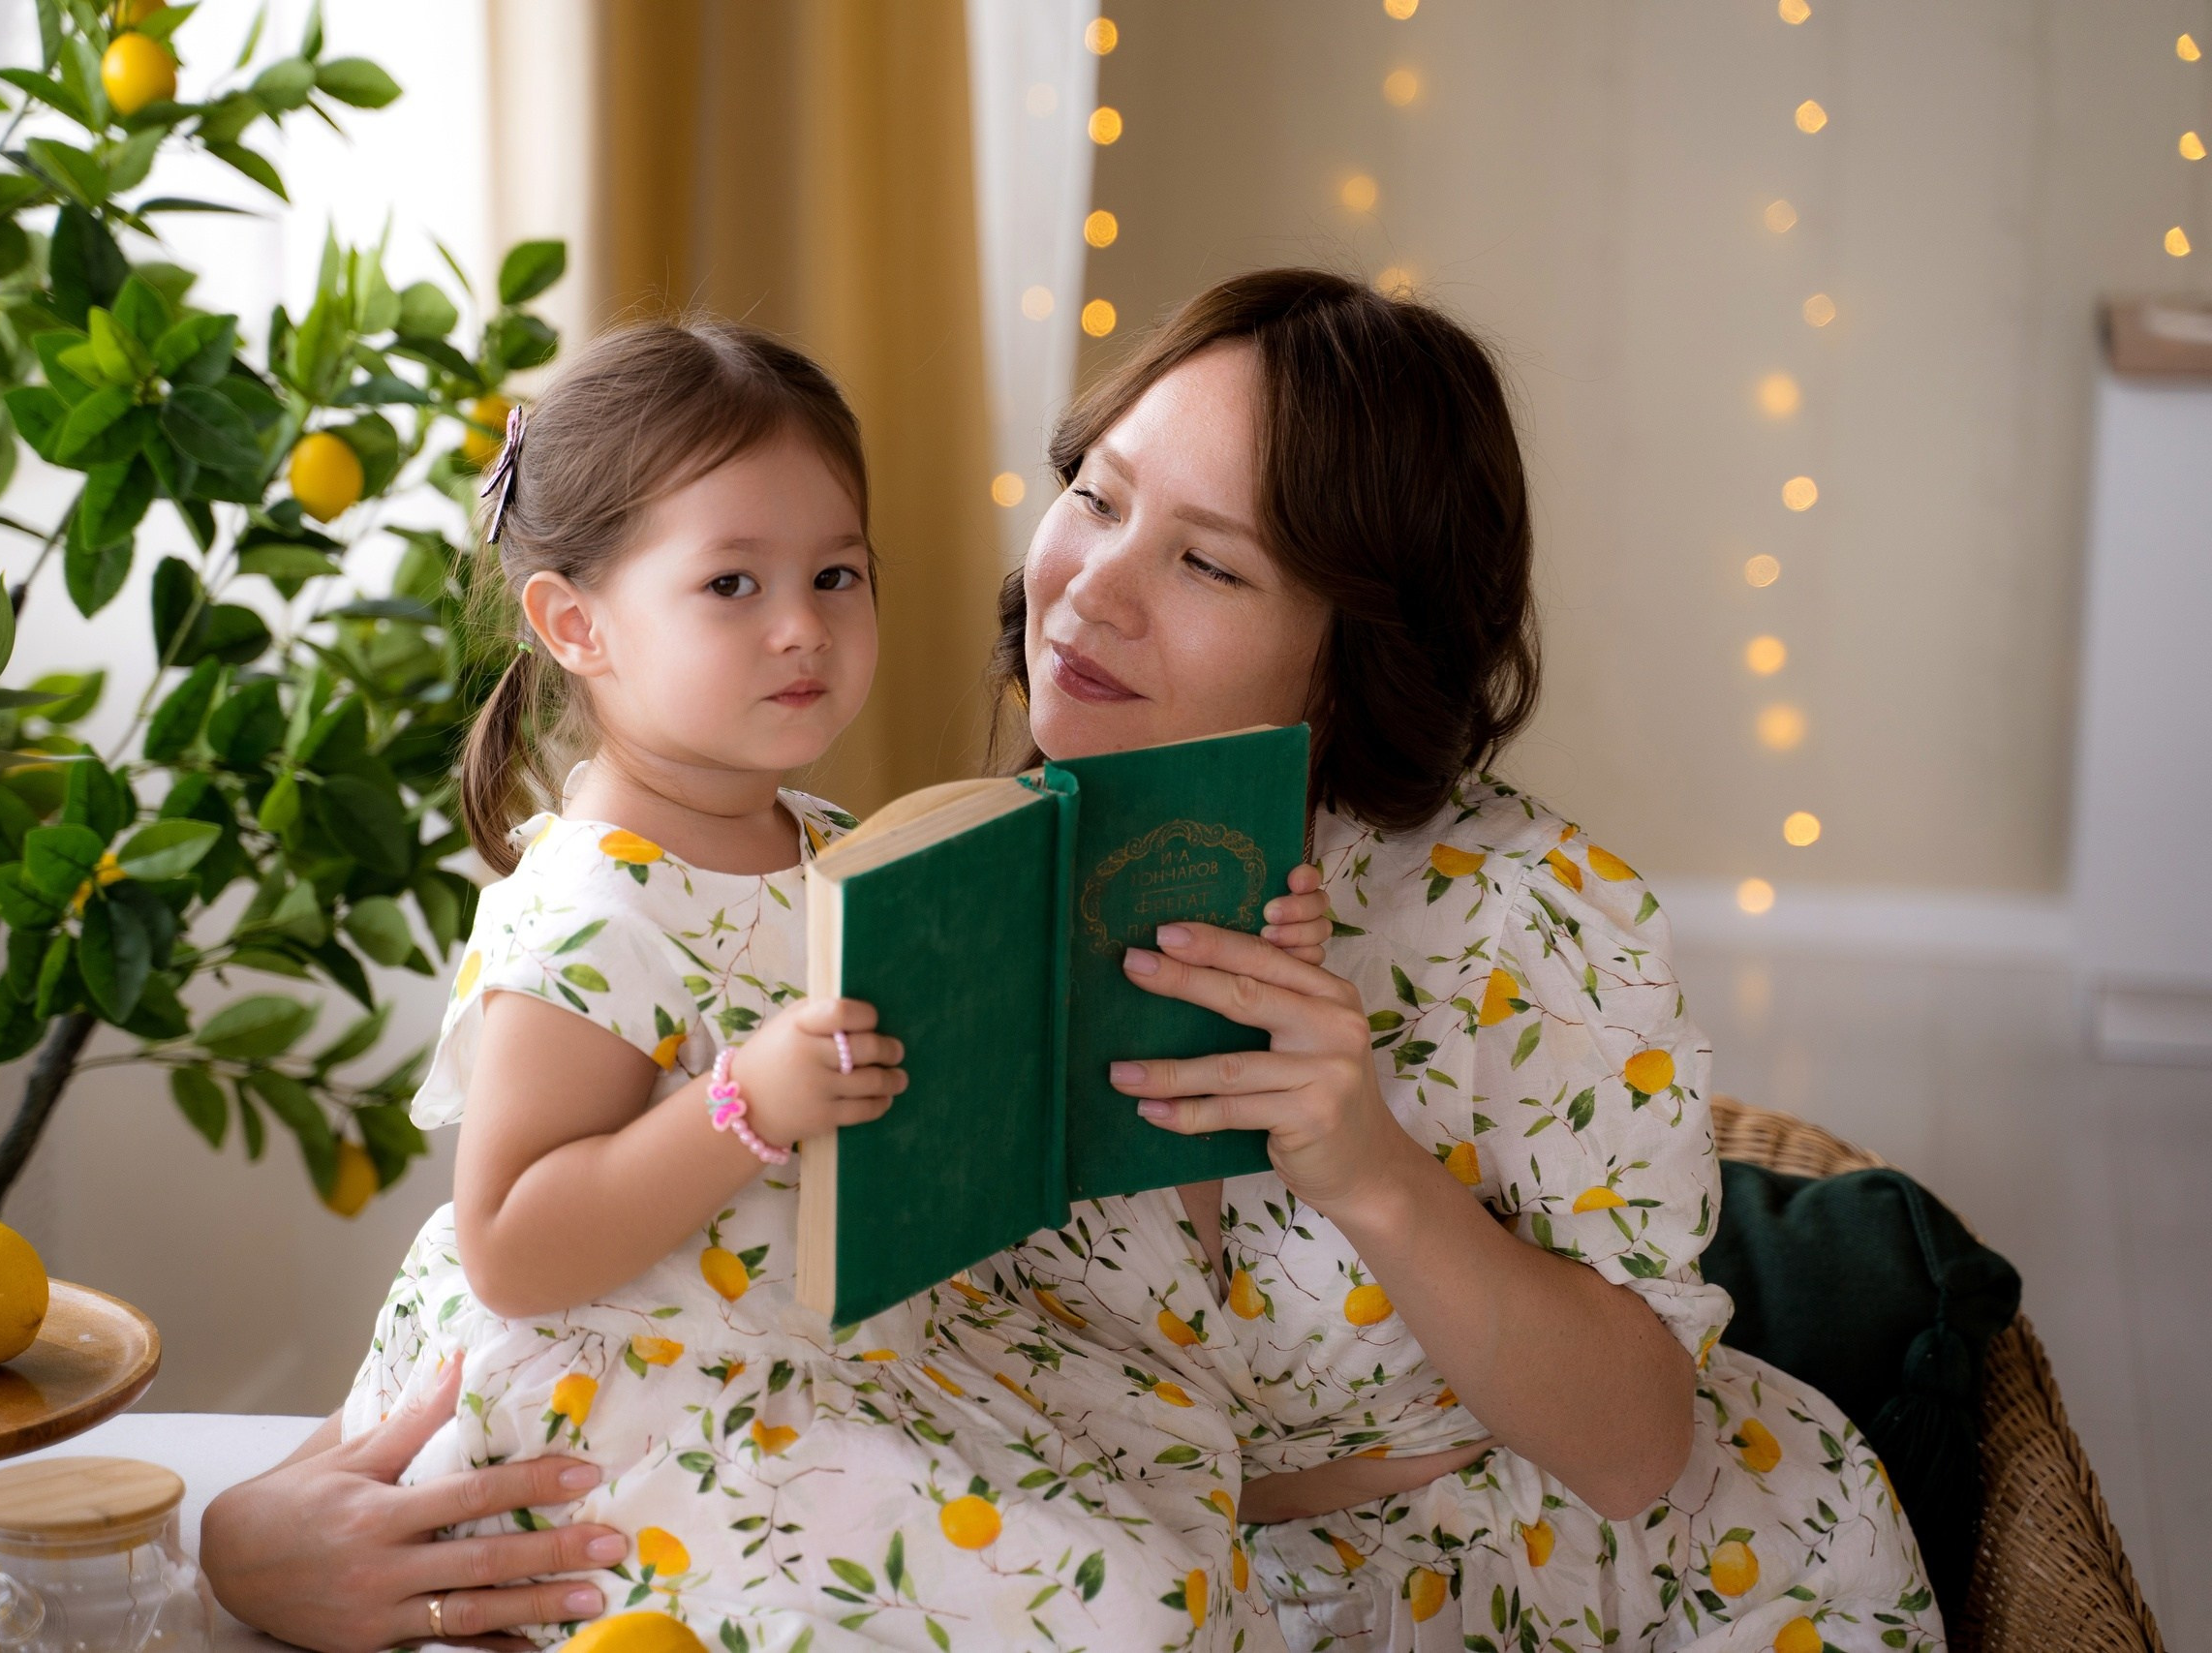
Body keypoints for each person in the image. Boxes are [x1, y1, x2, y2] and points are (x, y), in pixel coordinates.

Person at [206, 271, 1941, 1653]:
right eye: (1093, 499)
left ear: (1357, 643)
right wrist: (247, 1538)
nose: (1088, 595)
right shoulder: (960, 857)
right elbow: (613, 1288)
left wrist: (1371, 1171)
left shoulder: (1537, 917)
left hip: (1536, 1593)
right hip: (1052, 1581)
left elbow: (1638, 1452)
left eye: (1205, 562)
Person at [324, 318, 1332, 1649]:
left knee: (1163, 1535)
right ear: (578, 625)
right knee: (1115, 1607)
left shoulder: (824, 841)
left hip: (823, 1347)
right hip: (640, 1399)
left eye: (837, 574)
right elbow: (511, 1243)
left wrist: (1223, 948)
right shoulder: (590, 911)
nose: (802, 627)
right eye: (732, 584)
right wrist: (743, 1103)